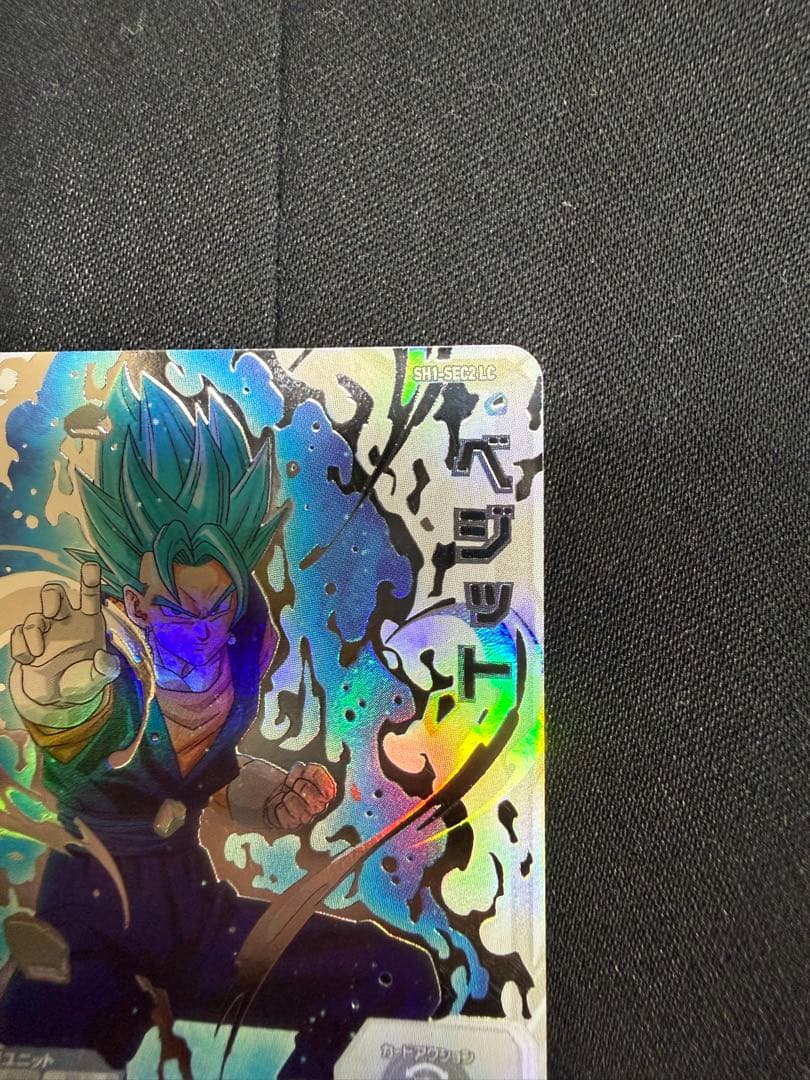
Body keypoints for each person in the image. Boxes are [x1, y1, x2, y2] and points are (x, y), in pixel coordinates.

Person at [0, 370, 439, 1077]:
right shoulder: (99, 662)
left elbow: (217, 776)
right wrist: (56, 697)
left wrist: (271, 797)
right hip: (88, 928)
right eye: (180, 609)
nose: (204, 631)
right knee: (37, 1058)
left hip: (192, 921)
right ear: (135, 604)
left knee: (396, 978)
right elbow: (80, 729)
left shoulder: (241, 648)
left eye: (217, 605)